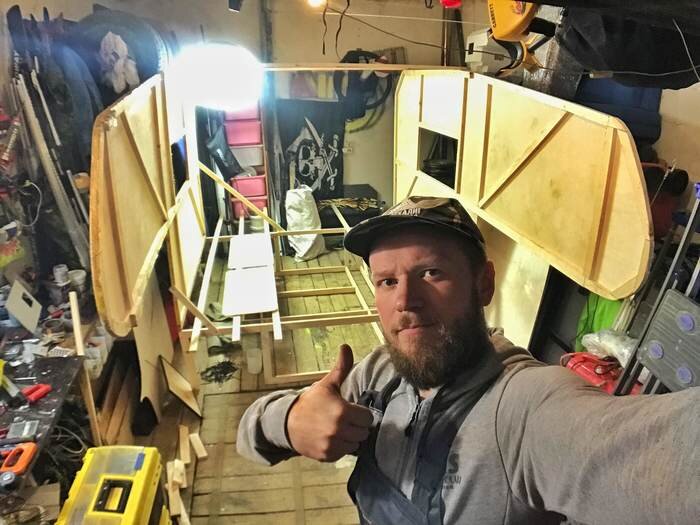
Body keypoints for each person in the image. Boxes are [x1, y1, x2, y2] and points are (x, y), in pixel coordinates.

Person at [237, 196, 700, 525]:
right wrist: (288, 420)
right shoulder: (379, 375)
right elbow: (249, 434)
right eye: (387, 282)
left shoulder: (525, 411)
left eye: (431, 272)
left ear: (484, 284)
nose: (405, 301)